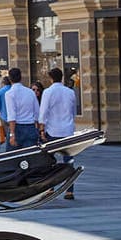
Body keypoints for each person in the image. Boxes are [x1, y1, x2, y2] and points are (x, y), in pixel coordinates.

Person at [40, 69, 80, 199]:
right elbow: (73, 111)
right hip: (67, 130)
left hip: (52, 130)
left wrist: (42, 129)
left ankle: (50, 188)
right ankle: (69, 190)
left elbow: (43, 112)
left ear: (51, 78)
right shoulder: (70, 92)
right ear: (62, 77)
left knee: (49, 160)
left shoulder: (48, 92)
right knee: (69, 160)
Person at [1, 68, 40, 150]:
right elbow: (37, 112)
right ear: (21, 77)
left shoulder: (9, 94)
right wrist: (37, 128)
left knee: (13, 158)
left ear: (10, 78)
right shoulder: (30, 92)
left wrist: (12, 134)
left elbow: (12, 115)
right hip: (30, 126)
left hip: (17, 128)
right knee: (30, 156)